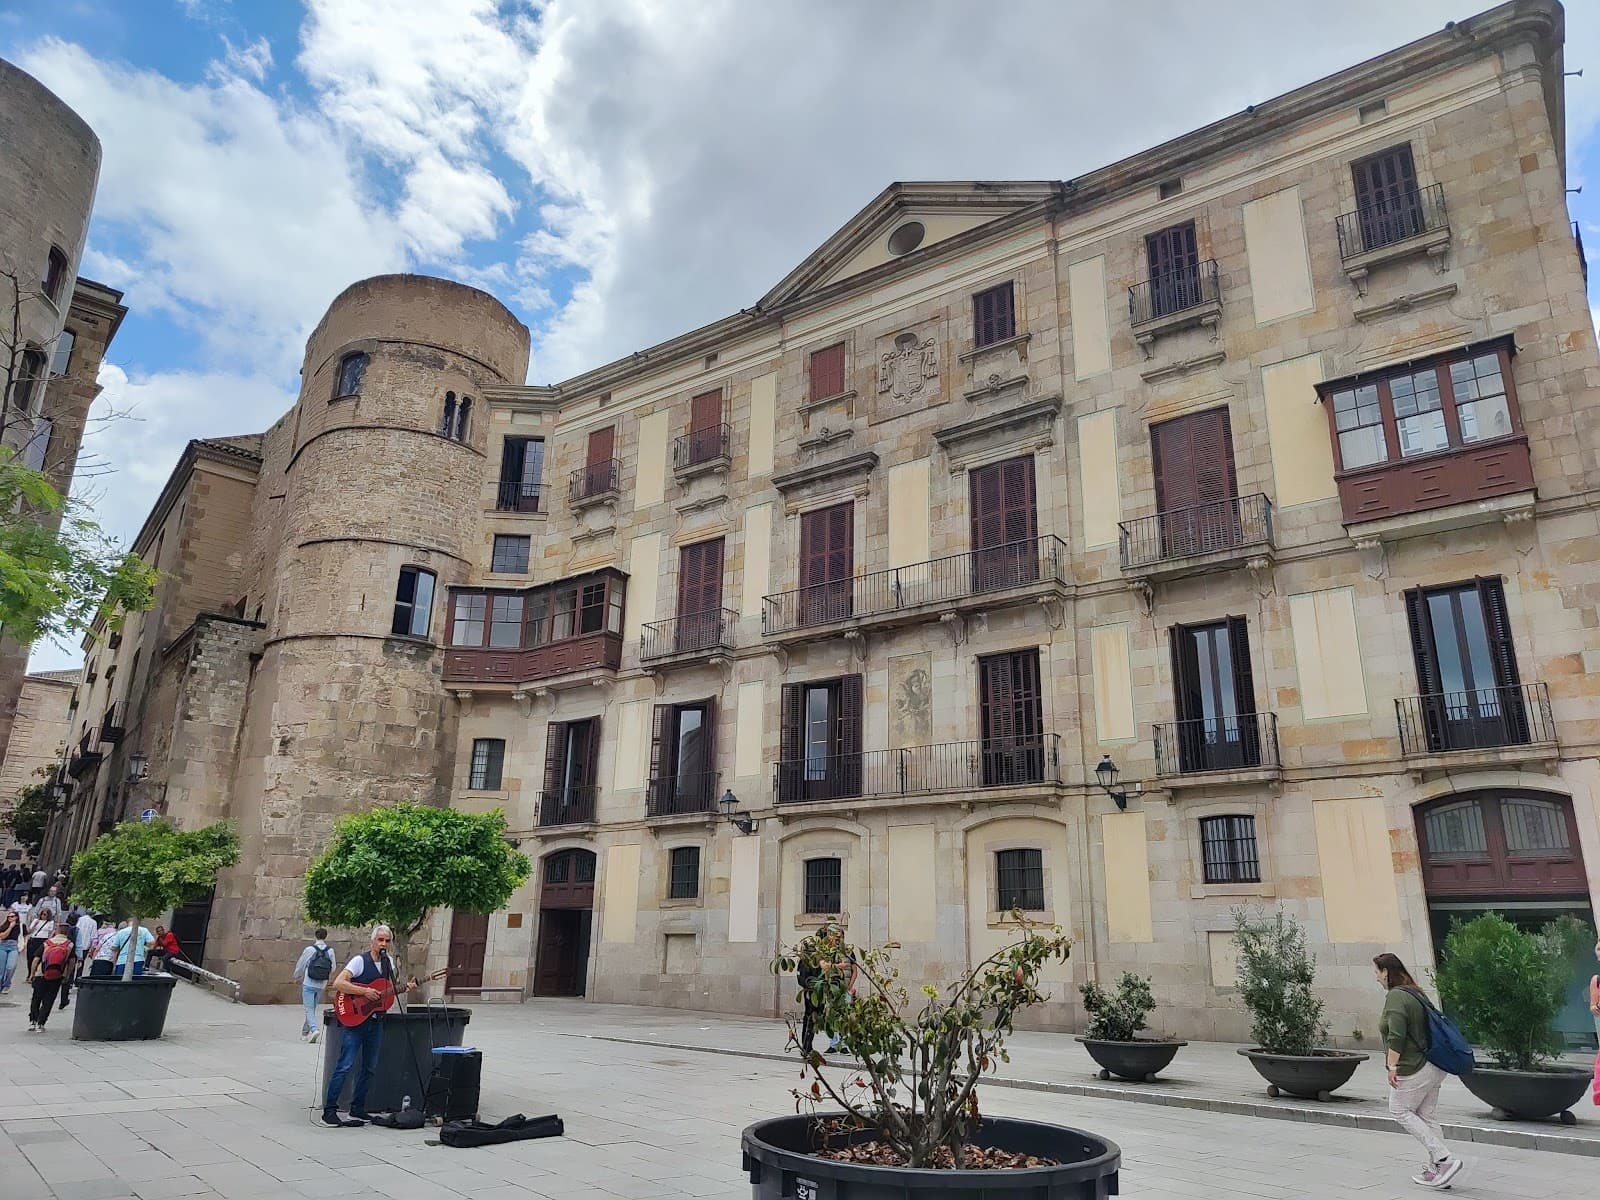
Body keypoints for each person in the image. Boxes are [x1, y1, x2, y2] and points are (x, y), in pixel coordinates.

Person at [1375, 952, 1464, 1189]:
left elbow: (1397, 1035)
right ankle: (1439, 1170)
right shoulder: (1415, 991)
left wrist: (1392, 1066)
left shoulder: (1396, 997)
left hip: (1414, 1066)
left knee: (1398, 1109)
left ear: (1386, 972)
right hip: (1434, 1063)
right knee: (1426, 1115)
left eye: (1377, 972)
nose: (1376, 978)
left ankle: (1443, 1158)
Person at [322, 925, 417, 1127]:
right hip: (356, 1021)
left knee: (369, 1068)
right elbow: (339, 983)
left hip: (376, 1021)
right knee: (345, 1065)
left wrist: (405, 988)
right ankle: (330, 1110)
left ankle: (358, 1108)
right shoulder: (359, 961)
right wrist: (363, 992)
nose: (383, 944)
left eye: (387, 941)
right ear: (373, 941)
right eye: (380, 940)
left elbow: (386, 992)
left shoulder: (388, 963)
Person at [28, 921, 75, 1032]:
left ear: (57, 930)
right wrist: (67, 975)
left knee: (36, 998)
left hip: (41, 974)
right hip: (57, 975)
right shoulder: (70, 945)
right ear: (67, 932)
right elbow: (72, 962)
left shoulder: (47, 943)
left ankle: (32, 1021)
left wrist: (32, 974)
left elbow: (36, 959)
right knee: (49, 999)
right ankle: (41, 1023)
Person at [294, 928, 336, 1043]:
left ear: (315, 936)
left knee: (308, 1009)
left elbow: (301, 964)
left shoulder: (309, 949)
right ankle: (305, 1033)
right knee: (311, 1008)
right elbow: (333, 968)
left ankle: (314, 1029)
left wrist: (296, 975)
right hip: (321, 984)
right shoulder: (330, 951)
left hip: (309, 982)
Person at [24, 910, 54, 981]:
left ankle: (34, 973)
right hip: (34, 939)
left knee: (38, 958)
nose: (43, 916)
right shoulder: (36, 920)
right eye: (42, 914)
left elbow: (50, 933)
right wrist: (35, 924)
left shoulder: (50, 923)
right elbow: (29, 931)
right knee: (30, 958)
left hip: (43, 940)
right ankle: (29, 973)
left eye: (45, 914)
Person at [0, 902, 18, 993]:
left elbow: (25, 934)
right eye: (9, 916)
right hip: (3, 946)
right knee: (1, 968)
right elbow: (2, 936)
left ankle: (7, 984)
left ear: (16, 917)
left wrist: (25, 943)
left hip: (14, 947)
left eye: (12, 916)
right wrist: (10, 927)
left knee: (10, 967)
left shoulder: (20, 926)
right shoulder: (3, 926)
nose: (10, 918)